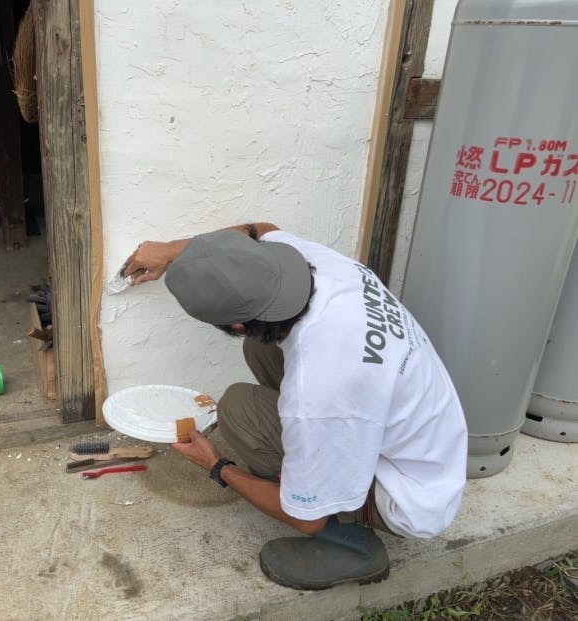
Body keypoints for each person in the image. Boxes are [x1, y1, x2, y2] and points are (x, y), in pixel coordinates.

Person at [120, 223, 468, 590]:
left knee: (239, 411)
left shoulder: (317, 389)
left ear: (236, 324)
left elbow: (306, 520)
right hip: (424, 445)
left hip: (408, 499)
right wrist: (173, 250)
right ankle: (313, 467)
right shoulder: (316, 262)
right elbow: (259, 229)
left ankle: (349, 542)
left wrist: (216, 465)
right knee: (260, 347)